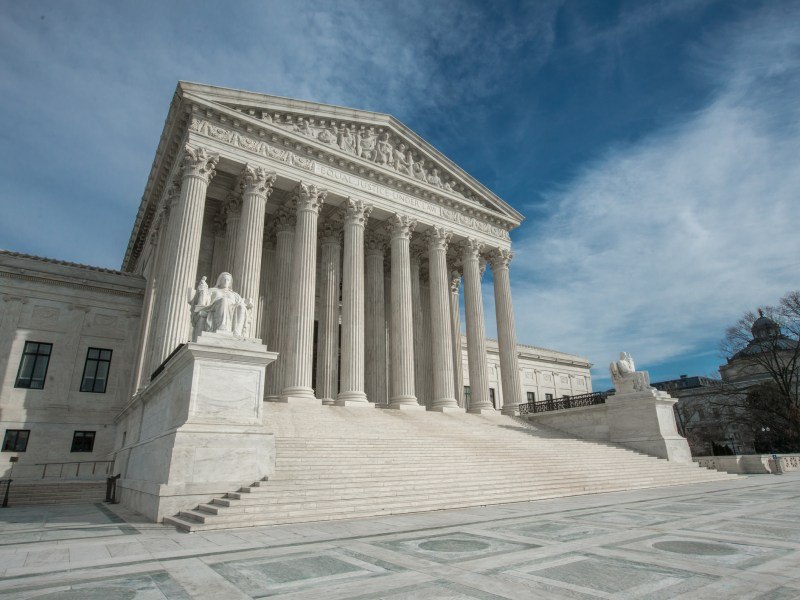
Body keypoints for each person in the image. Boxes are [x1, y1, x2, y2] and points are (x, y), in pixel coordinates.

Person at [190, 272, 251, 338]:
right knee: (224, 300)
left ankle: (237, 332)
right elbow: (203, 299)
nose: (226, 281)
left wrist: (247, 303)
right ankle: (222, 326)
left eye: (228, 280)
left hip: (232, 310)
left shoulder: (235, 295)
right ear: (219, 281)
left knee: (241, 307)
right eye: (224, 279)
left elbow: (241, 302)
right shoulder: (212, 290)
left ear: (230, 283)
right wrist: (202, 289)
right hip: (214, 308)